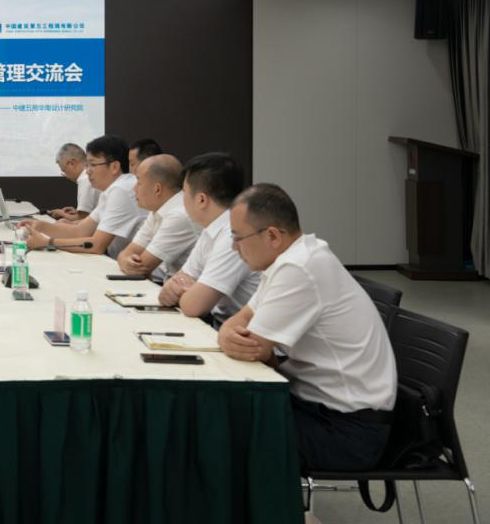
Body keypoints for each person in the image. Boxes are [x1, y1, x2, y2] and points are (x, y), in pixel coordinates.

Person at [218, 183, 396, 472]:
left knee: (221, 432)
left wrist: (229, 336)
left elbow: (252, 348)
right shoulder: (293, 259)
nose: (233, 248)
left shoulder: (299, 267)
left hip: (347, 431)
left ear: (273, 235)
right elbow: (242, 321)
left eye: (238, 238)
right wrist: (228, 334)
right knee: (222, 417)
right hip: (317, 408)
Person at [157, 152, 258, 325]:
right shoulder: (211, 229)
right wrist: (187, 290)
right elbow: (176, 282)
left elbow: (194, 306)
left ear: (201, 200)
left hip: (239, 332)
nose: (182, 200)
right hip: (220, 324)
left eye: (184, 193)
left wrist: (186, 292)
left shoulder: (232, 235)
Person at [22, 135, 144, 258]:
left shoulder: (121, 189)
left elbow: (96, 245)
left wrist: (48, 242)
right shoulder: (112, 190)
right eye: (87, 165)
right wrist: (40, 225)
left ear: (114, 167)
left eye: (93, 165)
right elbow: (79, 231)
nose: (87, 171)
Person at [115, 154, 199, 283]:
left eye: (139, 183)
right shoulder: (157, 209)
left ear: (157, 189)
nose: (134, 188)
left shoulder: (178, 215)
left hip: (184, 290)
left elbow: (142, 267)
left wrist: (125, 260)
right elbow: (127, 253)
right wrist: (124, 259)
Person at [46, 142, 99, 221]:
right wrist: (77, 212)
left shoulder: (85, 180)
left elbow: (82, 220)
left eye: (64, 171)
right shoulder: (91, 176)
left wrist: (61, 213)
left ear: (72, 163)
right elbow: (90, 215)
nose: (66, 176)